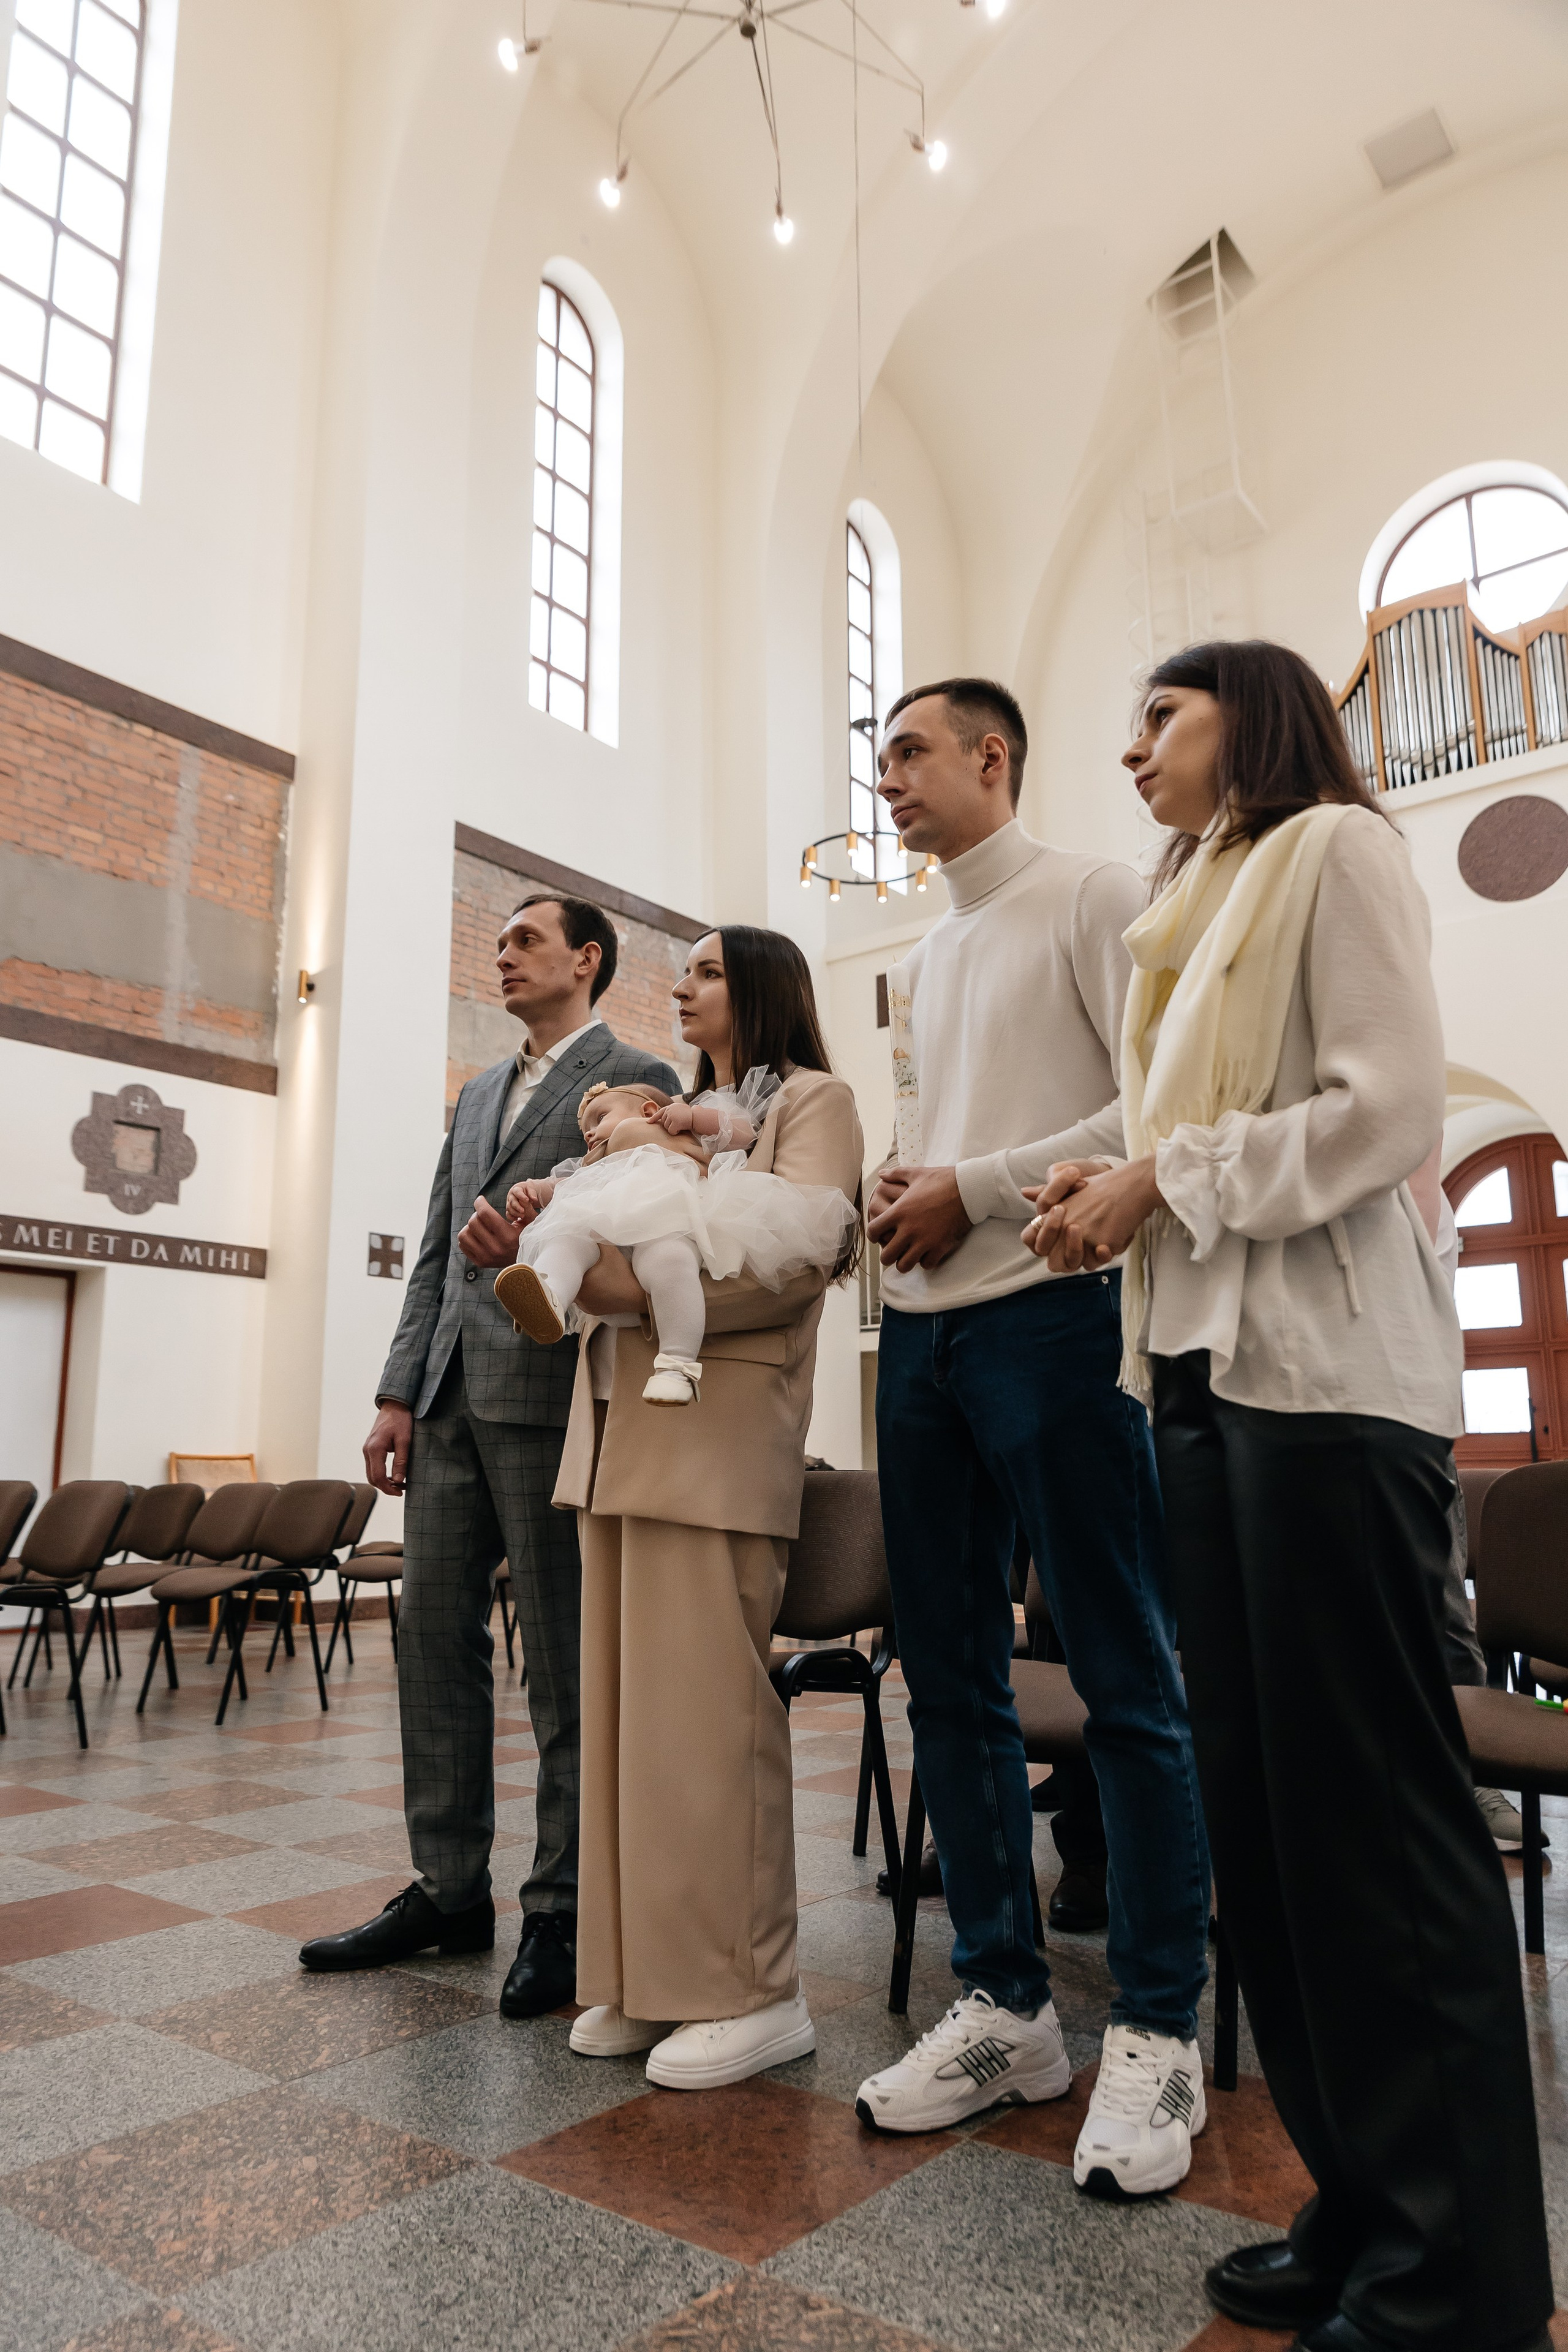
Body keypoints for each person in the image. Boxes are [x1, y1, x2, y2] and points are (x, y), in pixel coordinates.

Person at [1027, 640, 1551, 2352]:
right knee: (1270, 1825)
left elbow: (1386, 1109)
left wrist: (1159, 1182)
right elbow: (1171, 1127)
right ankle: (1365, 2207)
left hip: (1332, 1390)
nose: (1130, 753)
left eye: (1157, 717)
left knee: (1382, 1834)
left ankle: (1458, 2278)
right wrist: (1100, 1184)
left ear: (1249, 719)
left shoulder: (1339, 851)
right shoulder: (1190, 916)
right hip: (1201, 1376)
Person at [854, 677, 1213, 2204]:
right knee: (947, 1668)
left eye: (909, 754)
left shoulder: (1090, 895)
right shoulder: (927, 945)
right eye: (877, 761)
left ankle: (1153, 2022)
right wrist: (899, 1189)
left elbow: (1151, 1104)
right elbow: (943, 1127)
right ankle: (1005, 2003)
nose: (887, 782)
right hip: (924, 1332)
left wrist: (974, 1185)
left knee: (1124, 1672)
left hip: (1058, 1320)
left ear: (991, 756)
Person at [300, 894, 677, 2017]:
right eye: (499, 944)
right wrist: (393, 1394)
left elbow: (653, 1230)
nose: (501, 957)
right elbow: (432, 1254)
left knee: (559, 1661)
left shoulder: (638, 1072)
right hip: (452, 1400)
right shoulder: (473, 1093)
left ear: (586, 959)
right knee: (430, 1642)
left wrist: (545, 1237)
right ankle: (449, 1886)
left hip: (551, 1393)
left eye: (524, 941)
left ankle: (558, 1909)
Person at [550, 925, 864, 2085]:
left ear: (768, 987)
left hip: (721, 1432)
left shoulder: (812, 1103)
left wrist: (622, 1284)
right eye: (680, 971)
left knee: (707, 1719)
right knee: (630, 1725)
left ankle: (751, 1984)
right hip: (623, 1428)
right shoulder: (661, 1118)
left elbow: (790, 1258)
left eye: (709, 971)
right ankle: (646, 1974)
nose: (682, 987)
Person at [495, 1068, 856, 1406]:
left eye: (599, 1118)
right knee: (568, 1238)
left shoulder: (677, 1131)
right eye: (585, 1130)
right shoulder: (599, 1161)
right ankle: (549, 1294)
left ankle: (677, 1364)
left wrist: (694, 1117)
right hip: (609, 1234)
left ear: (650, 1109)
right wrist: (532, 1190)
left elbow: (746, 1133)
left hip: (670, 1225)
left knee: (670, 1263)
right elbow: (567, 1184)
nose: (589, 1134)